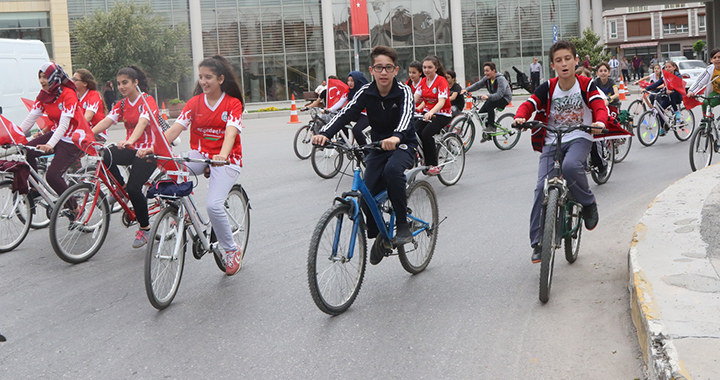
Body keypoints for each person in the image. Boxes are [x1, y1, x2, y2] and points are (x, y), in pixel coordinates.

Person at [138, 56, 245, 275]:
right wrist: (154, 147)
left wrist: (222, 155)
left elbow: (230, 132)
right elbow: (176, 129)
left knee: (214, 206)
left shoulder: (232, 103)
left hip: (227, 160)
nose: (203, 81)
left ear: (221, 79)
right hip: (201, 155)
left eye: (209, 77)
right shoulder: (194, 103)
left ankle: (232, 250)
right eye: (201, 77)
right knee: (168, 171)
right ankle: (181, 212)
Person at [312, 45, 417, 265]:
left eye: (388, 68)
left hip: (403, 144)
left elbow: (407, 116)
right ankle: (379, 234)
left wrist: (397, 137)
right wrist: (324, 133)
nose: (384, 72)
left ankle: (403, 222)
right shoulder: (366, 92)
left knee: (392, 171)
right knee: (367, 191)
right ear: (372, 70)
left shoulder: (404, 91)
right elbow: (345, 114)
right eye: (379, 67)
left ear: (396, 70)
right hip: (378, 145)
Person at [513, 40, 607, 263]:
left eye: (567, 59)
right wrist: (520, 116)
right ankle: (538, 242)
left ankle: (588, 203)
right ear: (552, 65)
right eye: (558, 60)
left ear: (576, 61)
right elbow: (530, 104)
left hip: (579, 136)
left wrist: (600, 122)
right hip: (552, 139)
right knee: (540, 188)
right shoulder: (548, 87)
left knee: (571, 166)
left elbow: (598, 106)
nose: (564, 64)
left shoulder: (586, 84)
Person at [91, 66, 161, 250]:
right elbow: (108, 120)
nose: (121, 86)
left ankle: (145, 228)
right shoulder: (122, 104)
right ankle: (120, 188)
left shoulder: (147, 100)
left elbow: (143, 122)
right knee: (105, 155)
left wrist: (130, 140)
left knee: (135, 188)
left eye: (125, 82)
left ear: (135, 82)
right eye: (119, 83)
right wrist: (87, 134)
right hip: (132, 148)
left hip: (150, 150)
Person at [18, 62, 95, 201]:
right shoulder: (44, 95)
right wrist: (12, 136)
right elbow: (30, 120)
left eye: (45, 77)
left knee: (52, 176)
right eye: (40, 77)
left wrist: (50, 144)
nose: (42, 81)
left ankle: (75, 209)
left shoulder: (68, 94)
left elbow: (64, 125)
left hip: (72, 139)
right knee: (26, 151)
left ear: (55, 77)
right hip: (56, 135)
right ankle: (35, 188)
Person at [414, 55, 452, 176]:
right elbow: (415, 98)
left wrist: (431, 112)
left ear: (436, 68)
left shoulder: (441, 81)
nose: (426, 70)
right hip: (427, 113)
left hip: (442, 114)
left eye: (429, 67)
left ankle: (433, 164)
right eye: (424, 67)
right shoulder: (423, 81)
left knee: (426, 134)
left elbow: (441, 101)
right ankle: (423, 156)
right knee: (413, 131)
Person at [462, 62, 512, 133]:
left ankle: (491, 127)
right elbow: (478, 85)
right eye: (484, 71)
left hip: (504, 99)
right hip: (493, 98)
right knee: (481, 114)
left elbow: (499, 94)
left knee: (489, 104)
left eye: (487, 71)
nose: (485, 73)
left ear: (493, 70)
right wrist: (466, 89)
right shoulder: (487, 79)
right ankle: (488, 133)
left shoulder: (500, 79)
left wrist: (488, 96)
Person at [644, 61, 684, 133]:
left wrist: (672, 90)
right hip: (668, 97)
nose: (667, 68)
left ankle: (676, 111)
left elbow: (678, 85)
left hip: (676, 96)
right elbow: (657, 83)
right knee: (659, 110)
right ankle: (663, 128)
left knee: (671, 94)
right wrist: (646, 89)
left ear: (674, 68)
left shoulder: (677, 75)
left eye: (669, 67)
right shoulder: (665, 76)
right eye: (666, 67)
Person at [72, 69, 107, 140]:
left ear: (85, 83)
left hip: (97, 133)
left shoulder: (94, 95)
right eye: (72, 79)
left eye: (75, 80)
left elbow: (88, 117)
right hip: (83, 132)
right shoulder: (75, 96)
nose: (72, 82)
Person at [688, 47, 720, 117]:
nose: (717, 59)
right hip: (717, 93)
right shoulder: (709, 69)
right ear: (711, 60)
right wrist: (691, 91)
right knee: (706, 102)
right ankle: (705, 122)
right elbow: (700, 82)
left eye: (719, 57)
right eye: (714, 58)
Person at [347, 70, 370, 145]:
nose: (349, 83)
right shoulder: (350, 91)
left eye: (352, 81)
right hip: (358, 114)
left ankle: (365, 151)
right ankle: (344, 139)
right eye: (348, 81)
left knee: (356, 130)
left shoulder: (365, 91)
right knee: (342, 120)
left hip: (368, 114)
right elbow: (341, 101)